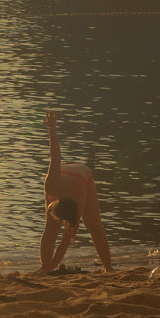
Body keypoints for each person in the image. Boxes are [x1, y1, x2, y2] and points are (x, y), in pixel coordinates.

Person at [40, 108, 111, 273]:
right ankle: (43, 265)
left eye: (49, 208)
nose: (47, 207)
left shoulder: (76, 204)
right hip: (64, 174)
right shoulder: (51, 184)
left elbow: (65, 242)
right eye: (50, 206)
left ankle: (109, 268)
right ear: (54, 201)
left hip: (83, 177)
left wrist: (53, 267)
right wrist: (52, 129)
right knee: (50, 229)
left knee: (94, 226)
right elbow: (56, 156)